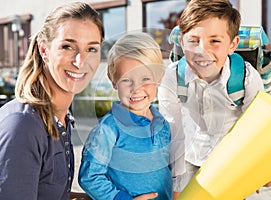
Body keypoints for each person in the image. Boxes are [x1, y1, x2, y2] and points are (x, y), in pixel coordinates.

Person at [157, 0, 271, 199]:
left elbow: (258, 125)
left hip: (230, 158)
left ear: (232, 45)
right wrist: (175, 181)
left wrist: (262, 167)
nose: (202, 50)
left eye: (215, 41)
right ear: (182, 43)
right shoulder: (172, 77)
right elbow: (172, 127)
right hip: (190, 154)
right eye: (193, 41)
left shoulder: (245, 77)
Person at [0, 2, 104, 200]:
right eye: (67, 46)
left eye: (92, 49)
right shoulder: (23, 125)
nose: (80, 61)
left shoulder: (61, 118)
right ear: (44, 50)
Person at [78, 32, 172, 200]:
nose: (136, 88)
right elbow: (90, 177)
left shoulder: (163, 123)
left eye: (146, 79)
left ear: (159, 77)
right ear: (113, 80)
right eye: (126, 80)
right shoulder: (108, 129)